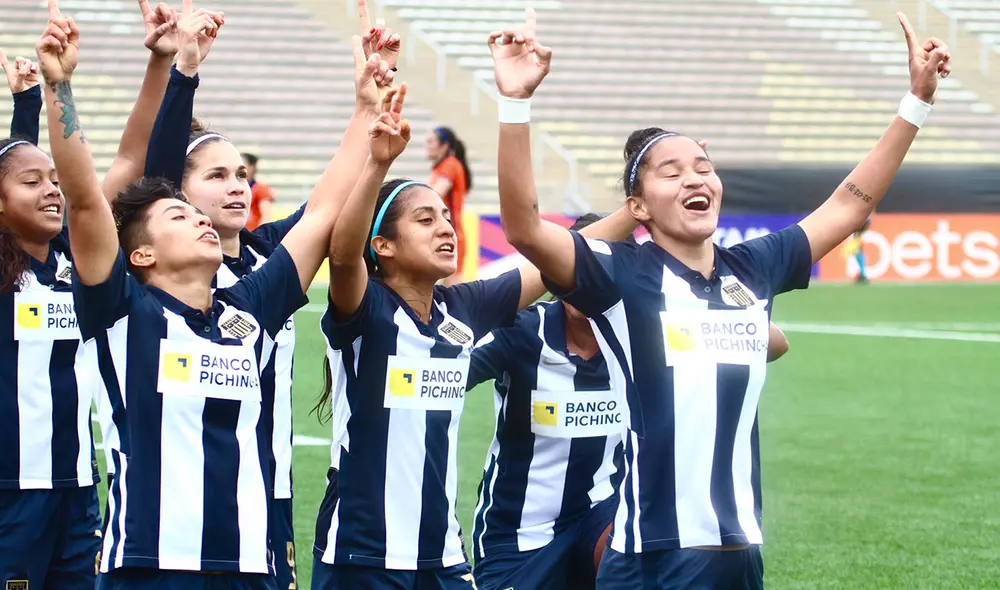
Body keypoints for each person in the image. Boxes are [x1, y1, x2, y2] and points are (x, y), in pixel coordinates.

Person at [485, 9, 949, 589]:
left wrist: (916, 101)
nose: (694, 179)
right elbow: (524, 228)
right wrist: (515, 103)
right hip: (650, 556)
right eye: (670, 172)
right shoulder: (620, 275)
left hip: (740, 552)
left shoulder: (754, 268)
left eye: (704, 167)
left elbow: (849, 205)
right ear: (638, 207)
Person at [35, 1, 382, 587]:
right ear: (138, 253)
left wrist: (366, 112)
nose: (198, 219)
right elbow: (89, 201)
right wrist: (58, 87)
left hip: (253, 564)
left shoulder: (248, 307)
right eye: (177, 213)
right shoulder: (121, 311)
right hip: (151, 564)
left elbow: (323, 210)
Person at [310, 78, 640, 587]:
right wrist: (377, 164)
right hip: (361, 556)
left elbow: (566, 253)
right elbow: (342, 254)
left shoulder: (463, 311)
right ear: (385, 246)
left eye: (446, 217)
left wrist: (634, 211)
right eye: (426, 220)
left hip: (442, 556)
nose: (447, 227)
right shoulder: (365, 309)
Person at [137, 4, 398, 587]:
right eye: (216, 176)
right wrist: (182, 71)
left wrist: (368, 107)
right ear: (175, 196)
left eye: (242, 176)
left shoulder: (264, 263)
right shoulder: (150, 281)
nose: (237, 187)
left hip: (265, 484)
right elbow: (148, 182)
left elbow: (328, 202)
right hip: (166, 514)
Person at [469, 213, 790, 590]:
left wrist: (693, 307)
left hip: (602, 512)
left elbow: (776, 343)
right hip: (519, 530)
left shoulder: (644, 330)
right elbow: (452, 366)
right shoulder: (522, 332)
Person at [0, 1, 184, 585]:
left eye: (55, 179)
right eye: (33, 183)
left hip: (80, 490)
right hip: (8, 492)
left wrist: (160, 64)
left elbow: (130, 159)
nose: (52, 190)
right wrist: (32, 102)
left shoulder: (78, 264)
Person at [425, 126, 471, 285]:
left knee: (454, 291)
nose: (427, 145)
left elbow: (433, 195)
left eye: (431, 141)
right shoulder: (440, 167)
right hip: (444, 233)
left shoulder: (450, 165)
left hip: (452, 235)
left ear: (444, 146)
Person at [242, 153, 274, 231]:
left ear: (251, 167)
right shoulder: (236, 188)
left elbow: (266, 216)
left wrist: (258, 236)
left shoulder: (261, 189)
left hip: (252, 235)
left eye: (242, 164)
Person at [844, 215, 872, 284]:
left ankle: (862, 275)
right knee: (860, 257)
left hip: (856, 242)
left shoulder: (861, 229)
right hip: (855, 242)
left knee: (860, 257)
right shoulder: (860, 228)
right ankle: (862, 275)